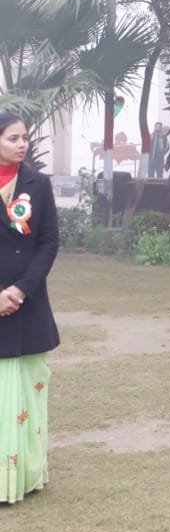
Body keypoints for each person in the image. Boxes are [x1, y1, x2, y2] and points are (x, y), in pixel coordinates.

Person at [0, 112, 61, 504]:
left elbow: (49, 241)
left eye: (25, 137)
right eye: (12, 138)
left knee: (29, 392)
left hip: (28, 305)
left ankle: (26, 475)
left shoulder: (39, 185)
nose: (22, 144)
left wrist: (20, 290)